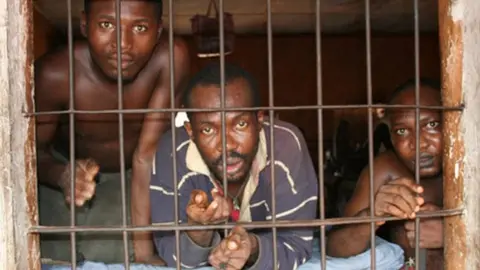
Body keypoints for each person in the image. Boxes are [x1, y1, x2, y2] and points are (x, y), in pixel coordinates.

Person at [35, 0, 189, 264]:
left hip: (131, 175)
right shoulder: (55, 73)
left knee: (121, 256)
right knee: (52, 258)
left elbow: (146, 155)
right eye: (107, 25)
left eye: (140, 27)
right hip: (61, 170)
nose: (123, 44)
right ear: (84, 24)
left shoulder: (170, 58)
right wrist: (62, 175)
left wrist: (143, 252)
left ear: (159, 31)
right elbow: (28, 156)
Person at [149, 63, 318, 269]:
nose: (226, 145)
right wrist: (198, 230)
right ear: (190, 131)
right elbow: (173, 258)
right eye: (208, 130)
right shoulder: (172, 153)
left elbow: (297, 245)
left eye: (240, 124)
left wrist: (253, 248)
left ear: (259, 120)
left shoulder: (285, 147)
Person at [326, 78, 444, 268]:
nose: (418, 144)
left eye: (431, 125)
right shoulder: (386, 169)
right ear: (390, 135)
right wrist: (372, 215)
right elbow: (334, 248)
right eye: (402, 131)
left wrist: (453, 233)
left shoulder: (473, 167)